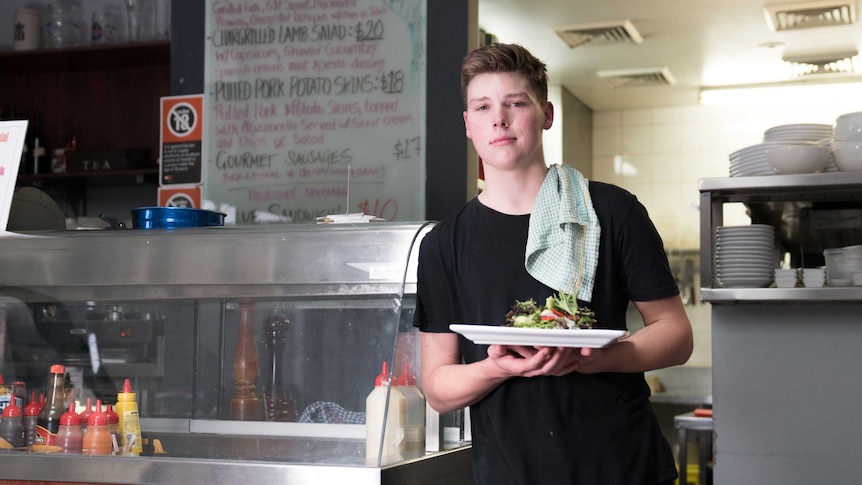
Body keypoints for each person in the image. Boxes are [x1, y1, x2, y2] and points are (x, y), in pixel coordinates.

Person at [413, 43, 693, 485]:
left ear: (546, 114)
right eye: (483, 107)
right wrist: (497, 366)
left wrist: (594, 359)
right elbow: (438, 387)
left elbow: (676, 336)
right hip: (509, 474)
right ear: (468, 125)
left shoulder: (613, 211)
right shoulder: (443, 244)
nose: (499, 119)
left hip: (624, 468)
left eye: (515, 103)